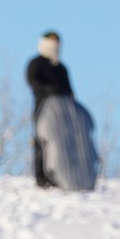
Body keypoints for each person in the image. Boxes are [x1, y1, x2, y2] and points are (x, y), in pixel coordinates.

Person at [25, 31, 73, 189]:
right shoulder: (36, 63)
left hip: (63, 111)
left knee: (61, 144)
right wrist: (49, 90)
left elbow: (69, 90)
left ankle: (58, 176)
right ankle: (41, 178)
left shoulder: (61, 68)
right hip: (43, 108)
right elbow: (33, 82)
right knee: (42, 142)